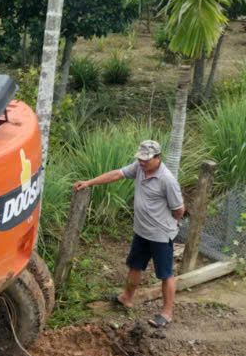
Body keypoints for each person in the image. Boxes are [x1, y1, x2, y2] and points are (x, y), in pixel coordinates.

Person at [73, 139, 186, 327]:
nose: (142, 162)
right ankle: (126, 298)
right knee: (135, 266)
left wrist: (168, 223)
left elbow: (179, 210)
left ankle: (166, 314)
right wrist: (89, 182)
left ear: (158, 158)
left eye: (146, 159)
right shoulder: (139, 168)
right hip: (141, 232)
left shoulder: (167, 180)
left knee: (165, 273)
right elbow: (117, 174)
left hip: (160, 235)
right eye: (140, 158)